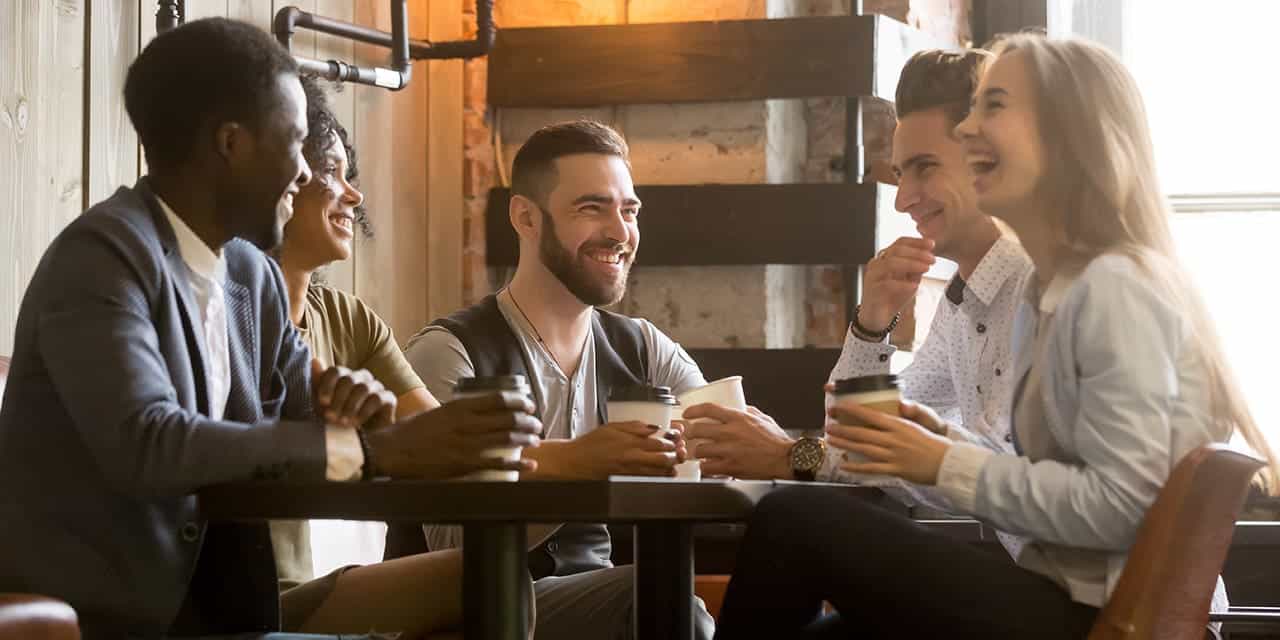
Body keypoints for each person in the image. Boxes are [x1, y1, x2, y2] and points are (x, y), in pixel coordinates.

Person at [711, 33, 1280, 639]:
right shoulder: (1035, 292)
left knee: (795, 521)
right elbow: (861, 437)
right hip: (1057, 596)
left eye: (994, 107)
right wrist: (883, 344)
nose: (973, 130)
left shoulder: (1111, 288)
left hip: (1100, 619)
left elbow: (1120, 508)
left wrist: (944, 460)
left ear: (1064, 140)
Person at [0, 18, 539, 638]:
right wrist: (373, 449)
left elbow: (305, 422)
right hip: (115, 620)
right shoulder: (102, 258)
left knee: (485, 584)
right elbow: (147, 443)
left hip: (232, 614)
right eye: (294, 141)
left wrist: (346, 412)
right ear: (230, 143)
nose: (307, 175)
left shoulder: (248, 274)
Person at [682, 49, 1029, 521]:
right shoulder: (964, 298)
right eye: (900, 174)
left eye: (925, 167)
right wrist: (872, 322)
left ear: (988, 157)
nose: (903, 200)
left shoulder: (1037, 288)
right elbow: (858, 436)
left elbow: (993, 472)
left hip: (1045, 580)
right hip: (999, 561)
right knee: (793, 518)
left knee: (790, 521)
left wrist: (794, 455)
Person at [402, 120, 716, 640]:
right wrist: (580, 468)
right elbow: (451, 543)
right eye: (592, 208)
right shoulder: (449, 353)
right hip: (463, 614)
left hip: (593, 605)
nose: (620, 232)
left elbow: (726, 437)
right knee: (659, 600)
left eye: (629, 210)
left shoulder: (645, 349)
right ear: (526, 217)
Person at [267, 73, 441, 591]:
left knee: (489, 580)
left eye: (350, 173)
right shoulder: (223, 314)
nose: (354, 193)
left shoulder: (350, 319)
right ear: (284, 176)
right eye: (330, 171)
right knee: (476, 583)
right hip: (250, 600)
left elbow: (437, 437)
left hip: (314, 585)